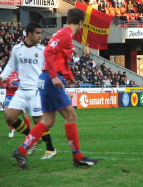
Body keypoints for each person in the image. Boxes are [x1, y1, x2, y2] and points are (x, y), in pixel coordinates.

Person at [12, 8, 98, 170]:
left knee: (48, 121)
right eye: (82, 24)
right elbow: (49, 52)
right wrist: (54, 75)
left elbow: (59, 58)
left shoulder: (62, 33)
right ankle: (77, 157)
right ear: (81, 23)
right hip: (51, 80)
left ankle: (22, 150)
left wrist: (68, 75)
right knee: (71, 116)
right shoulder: (65, 34)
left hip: (46, 79)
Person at [0, 23, 56, 160]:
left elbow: (50, 67)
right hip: (21, 90)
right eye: (37, 33)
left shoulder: (42, 50)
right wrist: (2, 76)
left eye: (40, 33)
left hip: (36, 90)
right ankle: (32, 137)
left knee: (38, 120)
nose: (40, 36)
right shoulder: (17, 49)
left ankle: (50, 149)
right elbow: (11, 65)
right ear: (29, 33)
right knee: (10, 117)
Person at [0, 70, 31, 138]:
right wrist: (3, 85)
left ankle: (28, 132)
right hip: (9, 96)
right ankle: (12, 128)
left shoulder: (19, 72)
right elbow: (1, 81)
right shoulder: (6, 72)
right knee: (7, 114)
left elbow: (23, 85)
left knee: (24, 115)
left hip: (19, 96)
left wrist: (14, 82)